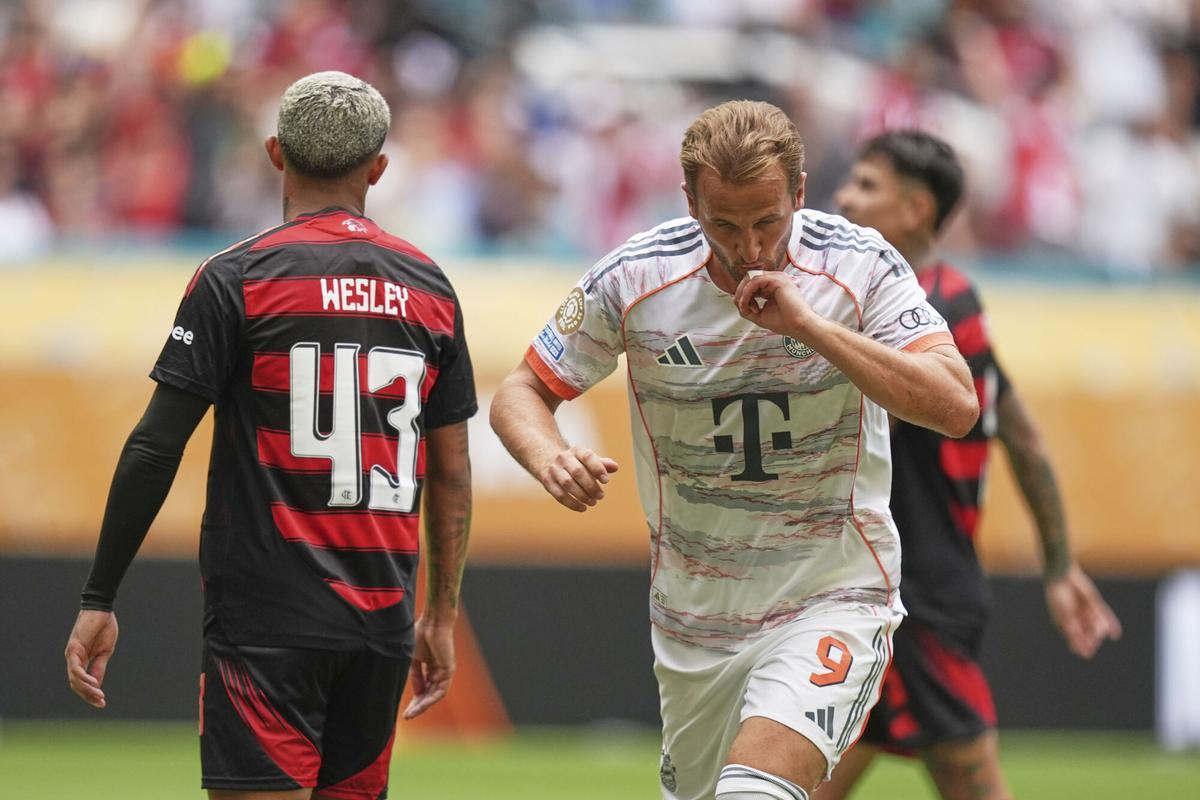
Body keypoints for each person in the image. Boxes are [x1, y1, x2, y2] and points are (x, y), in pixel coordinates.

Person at [489, 100, 980, 800]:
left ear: (800, 193)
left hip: (833, 594)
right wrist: (548, 455)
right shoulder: (634, 279)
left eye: (767, 221)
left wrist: (810, 327)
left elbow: (955, 403)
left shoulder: (860, 264)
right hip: (695, 623)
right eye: (723, 223)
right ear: (689, 199)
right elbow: (520, 392)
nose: (749, 246)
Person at [64, 71, 477, 800]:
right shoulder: (430, 287)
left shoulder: (236, 278)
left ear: (274, 152)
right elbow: (450, 470)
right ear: (378, 168)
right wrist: (440, 614)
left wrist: (101, 594)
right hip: (382, 623)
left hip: (265, 623)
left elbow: (156, 445)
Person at [816, 130, 1122, 800]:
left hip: (914, 596)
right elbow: (1024, 437)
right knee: (792, 777)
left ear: (916, 208)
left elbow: (863, 417)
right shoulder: (923, 304)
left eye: (866, 185)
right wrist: (1060, 564)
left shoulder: (940, 311)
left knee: (968, 780)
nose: (843, 197)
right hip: (869, 591)